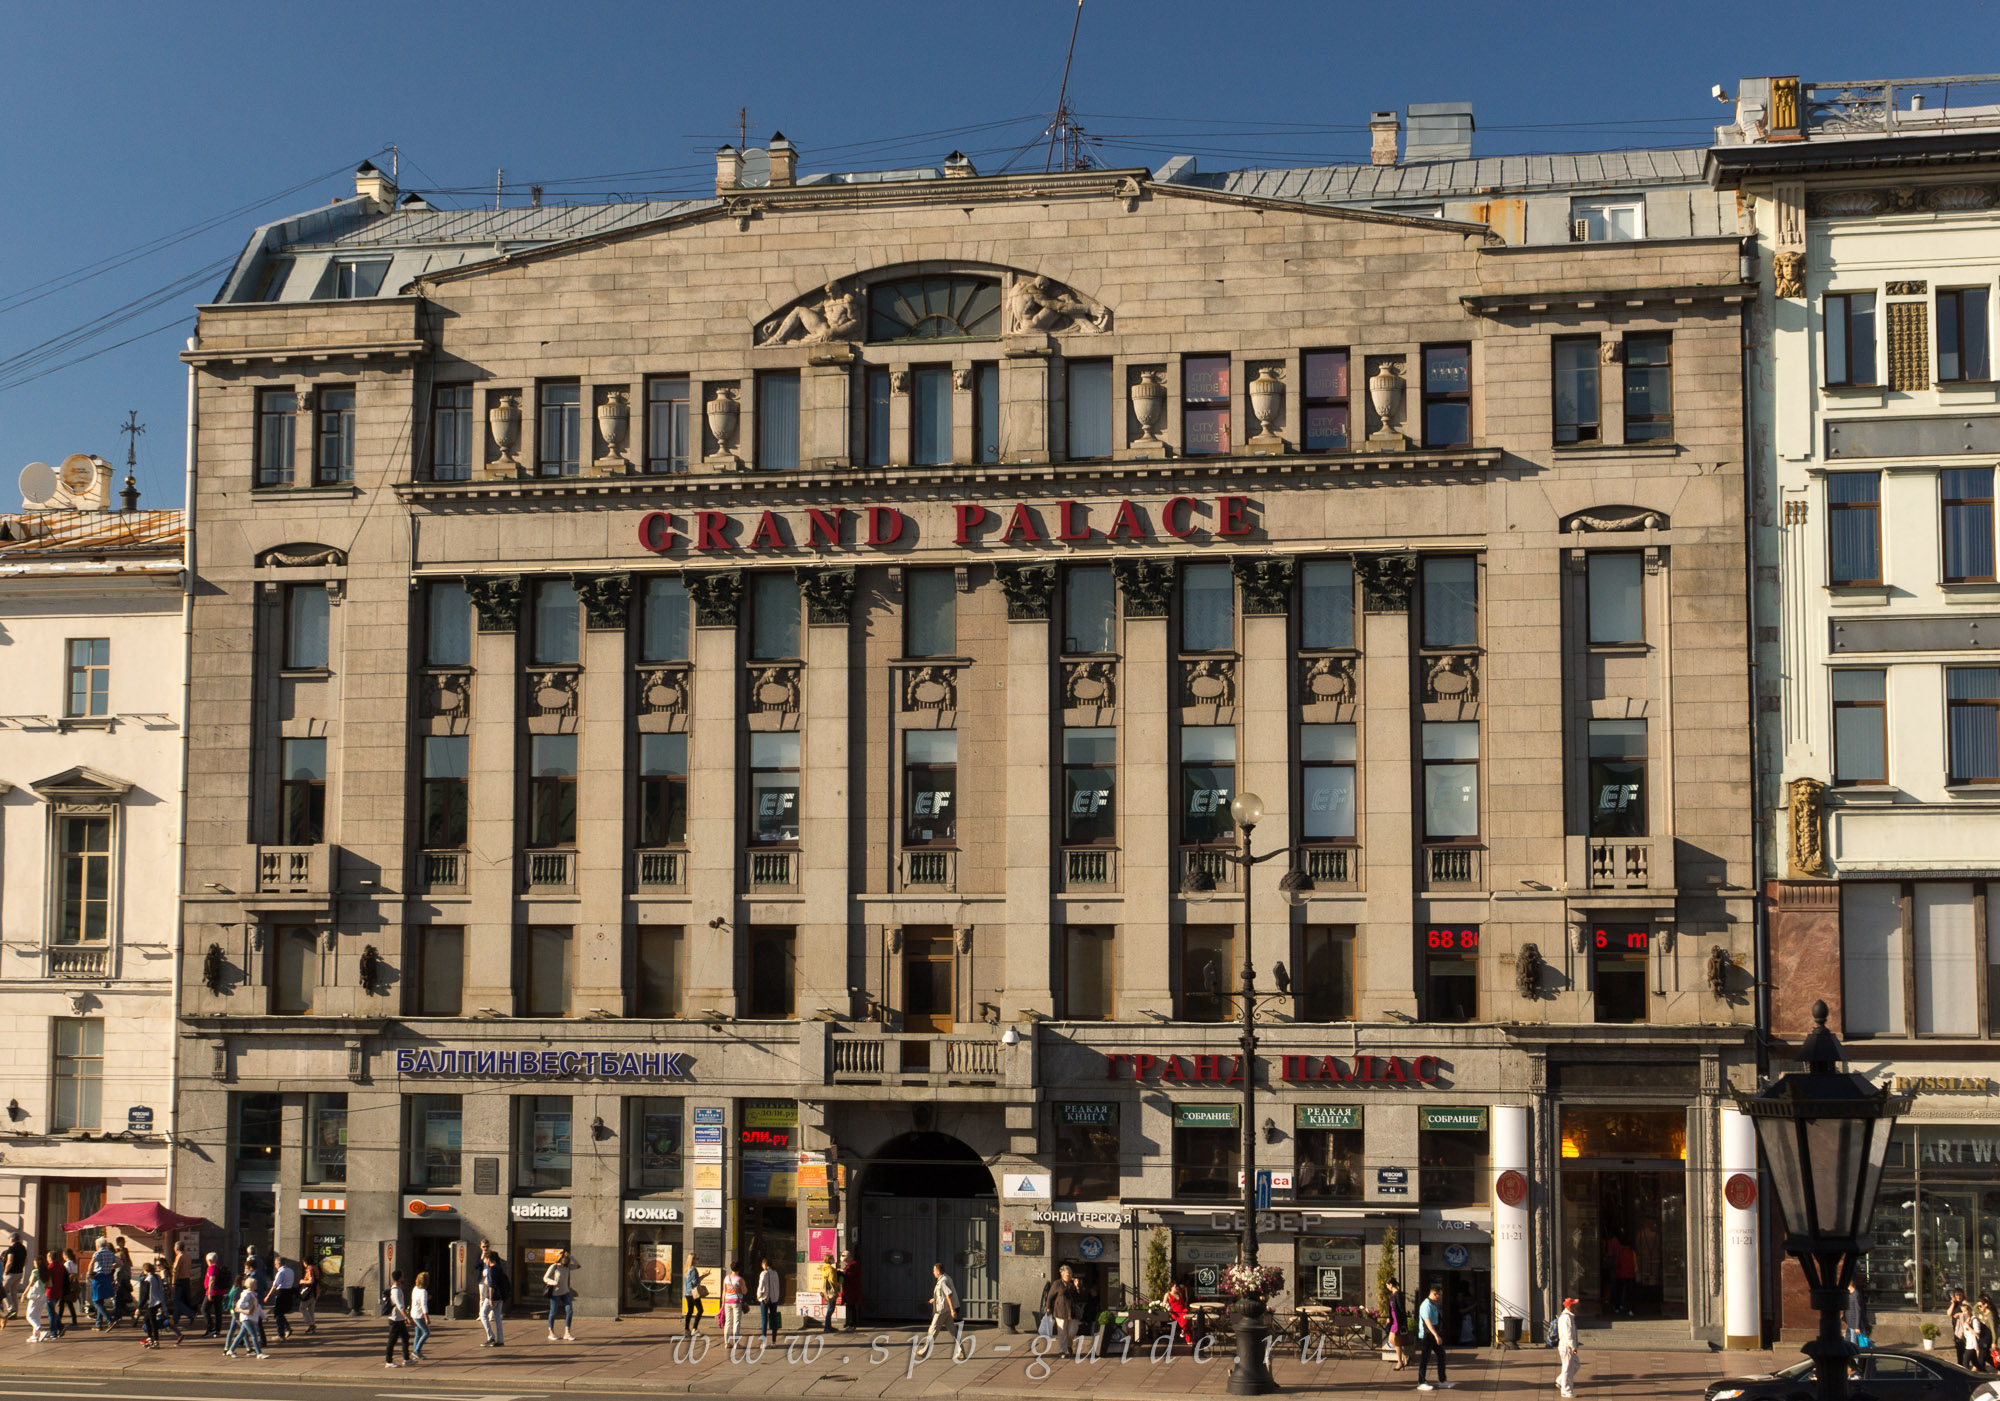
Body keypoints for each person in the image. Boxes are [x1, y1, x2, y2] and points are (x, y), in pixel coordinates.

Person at [1416, 1281, 1453, 1390]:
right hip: (1427, 1336)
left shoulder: (1434, 1304)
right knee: (1425, 1358)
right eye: (1440, 1295)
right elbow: (1428, 1323)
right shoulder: (1426, 1305)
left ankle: (1442, 1380)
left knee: (1441, 1355)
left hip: (1433, 1334)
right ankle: (1421, 1381)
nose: (1441, 1297)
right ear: (1434, 1294)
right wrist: (1437, 1336)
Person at [1039, 1264, 1081, 1359]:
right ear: (1062, 1275)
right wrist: (1049, 1307)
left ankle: (1069, 1344)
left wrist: (1077, 1287)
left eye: (1070, 1273)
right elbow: (1050, 1296)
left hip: (1072, 1311)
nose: (1070, 1275)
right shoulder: (1057, 1284)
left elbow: (1080, 1297)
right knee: (1062, 1331)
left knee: (1072, 1331)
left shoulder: (1074, 1284)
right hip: (1061, 1311)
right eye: (1067, 1273)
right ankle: (1062, 1351)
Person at [226, 1272, 270, 1358]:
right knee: (254, 1335)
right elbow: (240, 1305)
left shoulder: (253, 1294)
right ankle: (259, 1353)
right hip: (247, 1318)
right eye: (255, 1284)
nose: (257, 1285)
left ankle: (231, 1350)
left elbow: (258, 1308)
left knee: (241, 1335)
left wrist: (264, 1316)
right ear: (252, 1285)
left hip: (250, 1318)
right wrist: (249, 1304)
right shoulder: (246, 1294)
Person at [926, 1261, 964, 1361]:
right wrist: (934, 1299)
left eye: (934, 1270)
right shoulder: (946, 1278)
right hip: (946, 1310)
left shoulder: (943, 1281)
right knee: (953, 1332)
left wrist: (952, 1310)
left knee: (932, 1330)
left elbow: (948, 1295)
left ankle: (924, 1351)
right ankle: (962, 1351)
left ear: (938, 1271)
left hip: (942, 1311)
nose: (933, 1272)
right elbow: (942, 1295)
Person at [543, 1249, 577, 1342]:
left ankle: (567, 1332)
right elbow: (545, 1277)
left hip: (565, 1292)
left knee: (569, 1311)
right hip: (555, 1293)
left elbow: (578, 1266)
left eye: (566, 1258)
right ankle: (551, 1332)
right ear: (559, 1258)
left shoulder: (567, 1267)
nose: (565, 1260)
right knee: (553, 1312)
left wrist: (571, 1256)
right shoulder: (554, 1266)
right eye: (563, 1258)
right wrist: (552, 1282)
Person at [384, 1268, 414, 1368]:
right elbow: (400, 1306)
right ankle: (388, 1361)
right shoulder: (395, 1291)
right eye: (402, 1276)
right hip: (395, 1320)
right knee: (392, 1341)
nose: (403, 1277)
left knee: (405, 1337)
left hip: (399, 1319)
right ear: (399, 1278)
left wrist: (404, 1317)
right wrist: (408, 1317)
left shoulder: (398, 1289)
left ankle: (406, 1359)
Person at [480, 1247, 508, 1347]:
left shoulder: (491, 1270)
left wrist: (490, 1298)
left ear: (489, 1259)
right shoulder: (499, 1268)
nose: (484, 1262)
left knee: (483, 1314)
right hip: (500, 1297)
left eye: (485, 1260)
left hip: (492, 1296)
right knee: (497, 1319)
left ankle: (490, 1336)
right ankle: (500, 1340)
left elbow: (491, 1285)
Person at [1555, 1296, 1581, 1398]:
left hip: (1566, 1346)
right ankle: (1566, 1390)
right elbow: (1568, 1334)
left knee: (1575, 1364)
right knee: (1567, 1369)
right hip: (1566, 1347)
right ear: (1570, 1306)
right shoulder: (1566, 1318)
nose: (1576, 1306)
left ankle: (1561, 1381)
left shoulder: (1568, 1316)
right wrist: (1572, 1346)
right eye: (1574, 1305)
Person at [266, 1255, 296, 1341]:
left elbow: (275, 1285)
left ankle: (280, 1334)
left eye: (275, 1264)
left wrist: (268, 1295)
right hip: (288, 1292)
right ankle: (287, 1328)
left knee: (278, 1313)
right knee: (280, 1313)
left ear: (279, 1264)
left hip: (281, 1293)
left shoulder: (281, 1272)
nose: (275, 1266)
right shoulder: (291, 1271)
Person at [88, 1236, 116, 1329]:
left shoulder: (97, 1253)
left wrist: (89, 1273)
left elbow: (92, 1263)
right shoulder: (111, 1253)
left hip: (99, 1277)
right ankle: (98, 1324)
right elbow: (120, 1263)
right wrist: (111, 1267)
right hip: (107, 1277)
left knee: (96, 1301)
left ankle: (109, 1320)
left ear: (98, 1245)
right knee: (101, 1300)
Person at [138, 1261, 165, 1348]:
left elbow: (146, 1295)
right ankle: (150, 1338)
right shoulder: (157, 1276)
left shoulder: (148, 1279)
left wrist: (139, 1307)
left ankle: (156, 1341)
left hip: (152, 1303)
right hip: (159, 1301)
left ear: (145, 1270)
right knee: (146, 1319)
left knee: (152, 1322)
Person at [1386, 1278, 1410, 1371]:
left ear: (1391, 1285)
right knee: (1391, 1340)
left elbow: (1401, 1309)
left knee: (1395, 1340)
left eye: (1387, 1285)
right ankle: (1405, 1357)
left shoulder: (1398, 1295)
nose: (1387, 1287)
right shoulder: (1393, 1295)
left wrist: (1402, 1323)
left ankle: (1400, 1362)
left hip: (1398, 1321)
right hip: (1394, 1321)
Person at [3, 1231, 26, 1326]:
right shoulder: (23, 1248)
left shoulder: (12, 1249)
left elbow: (10, 1261)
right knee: (13, 1292)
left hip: (11, 1273)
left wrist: (5, 1272)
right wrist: (21, 1268)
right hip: (19, 1272)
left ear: (11, 1239)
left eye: (9, 1239)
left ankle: (11, 1309)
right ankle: (15, 1312)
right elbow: (26, 1260)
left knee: (3, 1291)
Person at [756, 1257, 782, 1342]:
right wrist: (776, 1296)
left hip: (764, 1299)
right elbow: (777, 1286)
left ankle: (763, 1340)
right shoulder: (775, 1273)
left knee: (764, 1319)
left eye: (762, 1264)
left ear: (765, 1264)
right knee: (774, 1319)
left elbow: (761, 1286)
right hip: (774, 1299)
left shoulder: (763, 1273)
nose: (762, 1265)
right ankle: (774, 1341)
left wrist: (759, 1295)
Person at [202, 1252, 227, 1337]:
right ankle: (217, 1330)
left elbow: (212, 1279)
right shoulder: (218, 1266)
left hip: (213, 1292)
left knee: (204, 1309)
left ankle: (210, 1328)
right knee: (218, 1311)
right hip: (220, 1292)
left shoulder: (212, 1267)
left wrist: (209, 1292)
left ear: (209, 1260)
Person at [721, 1261, 746, 1342]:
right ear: (739, 1269)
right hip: (736, 1301)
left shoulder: (726, 1278)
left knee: (727, 1322)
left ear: (731, 1268)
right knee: (736, 1322)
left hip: (727, 1301)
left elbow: (724, 1291)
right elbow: (744, 1291)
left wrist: (723, 1303)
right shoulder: (740, 1279)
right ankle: (736, 1343)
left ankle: (726, 1342)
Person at [1163, 1280, 1193, 1346]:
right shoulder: (1167, 1294)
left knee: (1187, 1317)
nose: (1177, 1288)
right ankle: (1186, 1334)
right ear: (1171, 1287)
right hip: (1175, 1312)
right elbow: (1164, 1304)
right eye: (1175, 1286)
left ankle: (1184, 1332)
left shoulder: (1179, 1293)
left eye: (1177, 1286)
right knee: (1185, 1317)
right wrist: (1168, 1307)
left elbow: (1183, 1303)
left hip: (1183, 1310)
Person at [113, 1238, 135, 1327]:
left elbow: (119, 1273)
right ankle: (128, 1313)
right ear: (119, 1242)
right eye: (123, 1242)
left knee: (119, 1302)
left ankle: (117, 1318)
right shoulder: (116, 1250)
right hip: (124, 1281)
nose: (124, 1243)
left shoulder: (124, 1252)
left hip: (122, 1282)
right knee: (121, 1302)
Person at [411, 1270, 432, 1360]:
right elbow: (424, 1305)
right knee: (427, 1332)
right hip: (419, 1315)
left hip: (413, 1313)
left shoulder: (415, 1288)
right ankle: (417, 1350)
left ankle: (415, 1351)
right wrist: (426, 1317)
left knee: (418, 1334)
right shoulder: (423, 1292)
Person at [838, 1251, 861, 1332]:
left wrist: (841, 1273)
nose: (844, 1262)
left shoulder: (853, 1265)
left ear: (849, 1258)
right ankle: (850, 1323)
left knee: (851, 1307)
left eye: (845, 1260)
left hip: (851, 1290)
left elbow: (850, 1276)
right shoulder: (849, 1265)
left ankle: (852, 1324)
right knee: (849, 1307)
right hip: (848, 1289)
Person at [681, 1255, 703, 1335]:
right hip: (693, 1293)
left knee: (690, 1311)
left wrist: (703, 1276)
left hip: (687, 1293)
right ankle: (694, 1329)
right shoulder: (693, 1269)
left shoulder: (686, 1269)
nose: (698, 1260)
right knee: (700, 1310)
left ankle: (687, 1329)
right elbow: (695, 1282)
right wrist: (701, 1278)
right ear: (693, 1260)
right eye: (697, 1259)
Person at [1844, 1280, 1868, 1347]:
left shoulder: (1856, 1295)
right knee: (1848, 1341)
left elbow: (1858, 1311)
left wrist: (1857, 1326)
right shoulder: (1850, 1294)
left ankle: (1856, 1357)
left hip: (1854, 1324)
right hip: (1850, 1323)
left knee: (1853, 1343)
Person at [297, 1258, 318, 1334]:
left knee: (302, 1308)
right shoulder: (315, 1268)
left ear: (305, 1263)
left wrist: (303, 1281)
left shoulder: (309, 1269)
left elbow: (311, 1280)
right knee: (311, 1310)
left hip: (309, 1292)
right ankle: (312, 1327)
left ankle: (311, 1324)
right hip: (315, 1291)